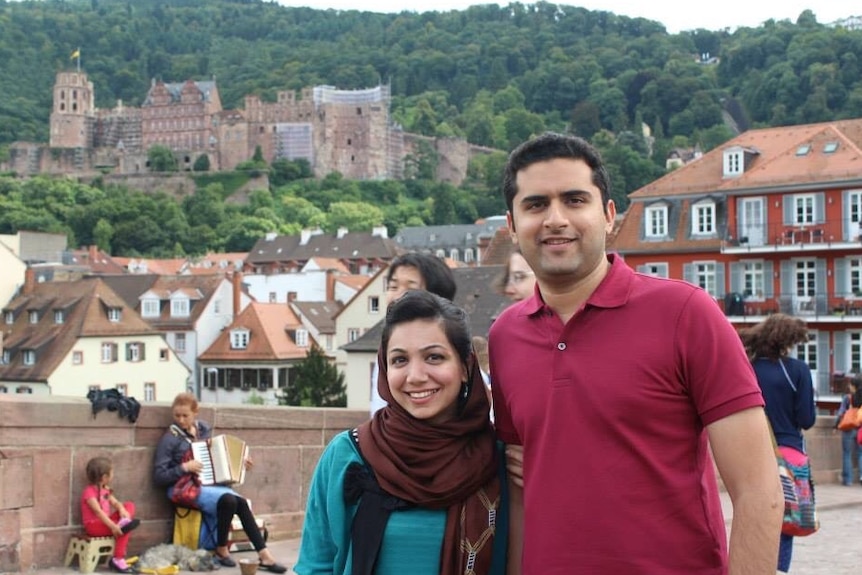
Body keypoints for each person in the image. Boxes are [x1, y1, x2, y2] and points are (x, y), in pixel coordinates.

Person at [489, 132, 783, 574]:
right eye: (535, 205)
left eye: (574, 200)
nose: (555, 219)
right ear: (512, 226)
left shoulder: (686, 314)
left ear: (608, 216)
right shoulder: (505, 336)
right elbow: (519, 492)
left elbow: (759, 489)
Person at [295, 290, 508, 575]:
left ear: (465, 367)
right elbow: (315, 567)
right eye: (399, 360)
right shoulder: (349, 455)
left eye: (434, 357)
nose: (415, 376)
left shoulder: (499, 458)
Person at [153, 393, 287, 573]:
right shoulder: (170, 438)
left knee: (235, 501)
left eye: (185, 415)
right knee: (231, 500)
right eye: (177, 415)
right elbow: (159, 476)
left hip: (207, 485)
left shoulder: (203, 431)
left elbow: (216, 462)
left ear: (196, 413)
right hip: (182, 487)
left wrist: (241, 464)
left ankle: (261, 555)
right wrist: (184, 467)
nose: (181, 420)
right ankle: (228, 550)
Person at [739, 314, 817, 573]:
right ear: (788, 339)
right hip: (788, 452)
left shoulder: (747, 367)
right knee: (785, 522)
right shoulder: (797, 370)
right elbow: (807, 419)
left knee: (752, 517)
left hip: (750, 452)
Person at [368, 252, 457, 416]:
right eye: (393, 287)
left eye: (410, 289)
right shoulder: (386, 352)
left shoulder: (458, 347)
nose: (397, 296)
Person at [80, 456, 140, 574]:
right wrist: (113, 526)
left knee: (129, 505)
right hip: (94, 526)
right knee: (123, 529)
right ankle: (118, 558)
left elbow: (115, 502)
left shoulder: (105, 490)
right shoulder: (89, 492)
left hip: (107, 523)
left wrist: (121, 509)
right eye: (112, 473)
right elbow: (98, 512)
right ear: (104, 477)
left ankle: (124, 523)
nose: (113, 475)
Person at [835, 376, 862, 486]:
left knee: (847, 453)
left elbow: (841, 413)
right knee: (861, 454)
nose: (848, 386)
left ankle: (848, 480)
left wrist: (836, 426)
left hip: (848, 428)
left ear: (853, 386)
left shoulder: (848, 398)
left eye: (850, 384)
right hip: (860, 428)